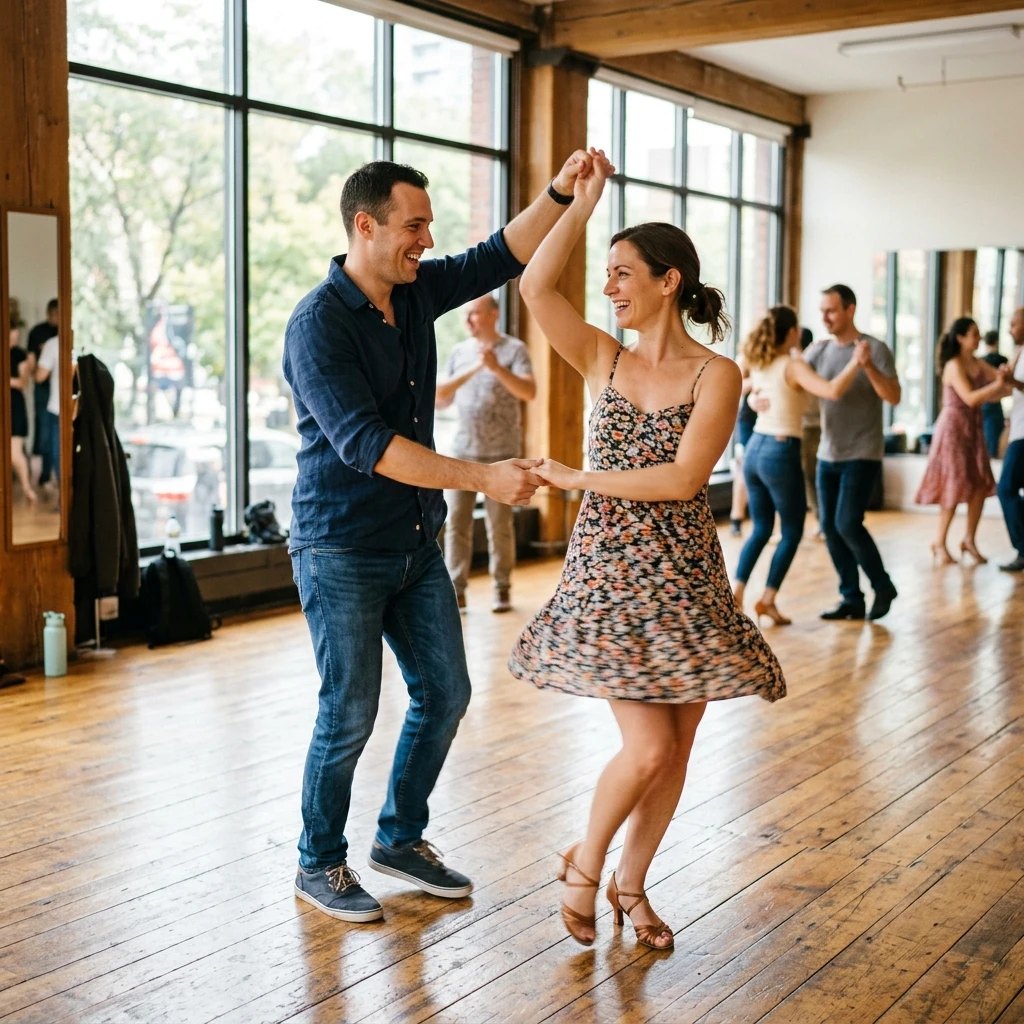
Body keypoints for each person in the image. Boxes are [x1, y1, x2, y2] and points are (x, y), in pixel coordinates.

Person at [282, 153, 592, 924]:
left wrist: (560, 191)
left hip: (416, 542)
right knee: (349, 711)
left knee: (445, 693)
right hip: (341, 547)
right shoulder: (319, 325)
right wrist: (486, 479)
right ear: (365, 225)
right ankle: (318, 862)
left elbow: (500, 255)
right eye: (413, 224)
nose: (426, 238)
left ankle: (400, 839)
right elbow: (369, 446)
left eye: (427, 225)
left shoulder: (414, 294)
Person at [507, 149, 785, 953]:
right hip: (608, 577)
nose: (610, 286)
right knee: (650, 744)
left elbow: (683, 478)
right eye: (607, 274)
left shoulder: (718, 373)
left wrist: (574, 476)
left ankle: (632, 886)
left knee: (678, 748)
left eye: (625, 273)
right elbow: (534, 288)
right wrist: (582, 206)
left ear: (669, 281)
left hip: (687, 577)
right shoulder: (607, 357)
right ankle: (585, 867)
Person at [732, 306, 862, 626]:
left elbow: (747, 388)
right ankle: (767, 600)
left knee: (761, 528)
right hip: (779, 449)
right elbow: (831, 391)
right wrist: (856, 363)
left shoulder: (761, 361)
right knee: (791, 530)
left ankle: (736, 595)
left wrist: (751, 401)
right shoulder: (793, 366)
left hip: (755, 450)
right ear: (791, 332)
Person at [807, 285, 901, 621]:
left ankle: (883, 585)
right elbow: (795, 384)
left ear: (850, 309)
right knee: (830, 529)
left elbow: (893, 396)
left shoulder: (874, 348)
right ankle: (851, 598)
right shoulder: (819, 351)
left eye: (831, 310)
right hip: (827, 453)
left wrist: (867, 366)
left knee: (847, 523)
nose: (825, 317)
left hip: (862, 451)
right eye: (822, 311)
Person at [437, 293, 536, 613]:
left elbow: (529, 391)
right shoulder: (459, 352)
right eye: (466, 314)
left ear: (494, 315)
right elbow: (440, 399)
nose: (468, 320)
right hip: (463, 452)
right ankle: (456, 590)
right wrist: (477, 366)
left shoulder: (515, 350)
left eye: (475, 313)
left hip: (502, 454)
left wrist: (495, 367)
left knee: (499, 526)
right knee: (457, 525)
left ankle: (502, 588)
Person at [914, 318, 1008, 563]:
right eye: (973, 334)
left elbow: (1003, 388)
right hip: (954, 428)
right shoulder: (953, 365)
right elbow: (970, 398)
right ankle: (939, 542)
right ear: (960, 338)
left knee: (979, 483)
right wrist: (997, 385)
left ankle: (969, 539)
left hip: (974, 428)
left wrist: (1005, 379)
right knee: (953, 485)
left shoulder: (978, 363)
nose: (978, 339)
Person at [997, 306, 1024, 572]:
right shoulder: (1019, 353)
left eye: (1014, 324)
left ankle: (1023, 550)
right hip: (1018, 430)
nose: (1010, 329)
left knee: (1005, 488)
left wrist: (1013, 382)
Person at [27, 298, 58, 490]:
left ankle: (51, 475)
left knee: (55, 435)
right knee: (45, 432)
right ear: (48, 314)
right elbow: (32, 363)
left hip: (57, 389)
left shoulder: (61, 337)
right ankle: (44, 476)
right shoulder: (38, 333)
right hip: (42, 389)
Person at [9, 307, 37, 503]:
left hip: (15, 407)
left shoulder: (20, 355)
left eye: (16, 331)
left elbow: (22, 383)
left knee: (14, 453)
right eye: (12, 331)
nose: (15, 335)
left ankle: (27, 488)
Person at [798, 327, 823, 534]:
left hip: (810, 427)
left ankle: (821, 521)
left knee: (812, 475)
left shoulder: (803, 364)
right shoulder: (804, 363)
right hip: (808, 426)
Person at [33, 333, 61, 495]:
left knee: (56, 453)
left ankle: (63, 500)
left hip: (56, 407)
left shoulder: (52, 344)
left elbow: (39, 376)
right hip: (74, 406)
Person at [728, 393, 757, 536]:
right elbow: (741, 386)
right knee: (742, 474)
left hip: (766, 417)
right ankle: (736, 519)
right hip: (747, 420)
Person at [981, 329, 1008, 459]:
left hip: (982, 404)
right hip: (995, 404)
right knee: (994, 441)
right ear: (997, 341)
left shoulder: (981, 361)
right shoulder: (1002, 361)